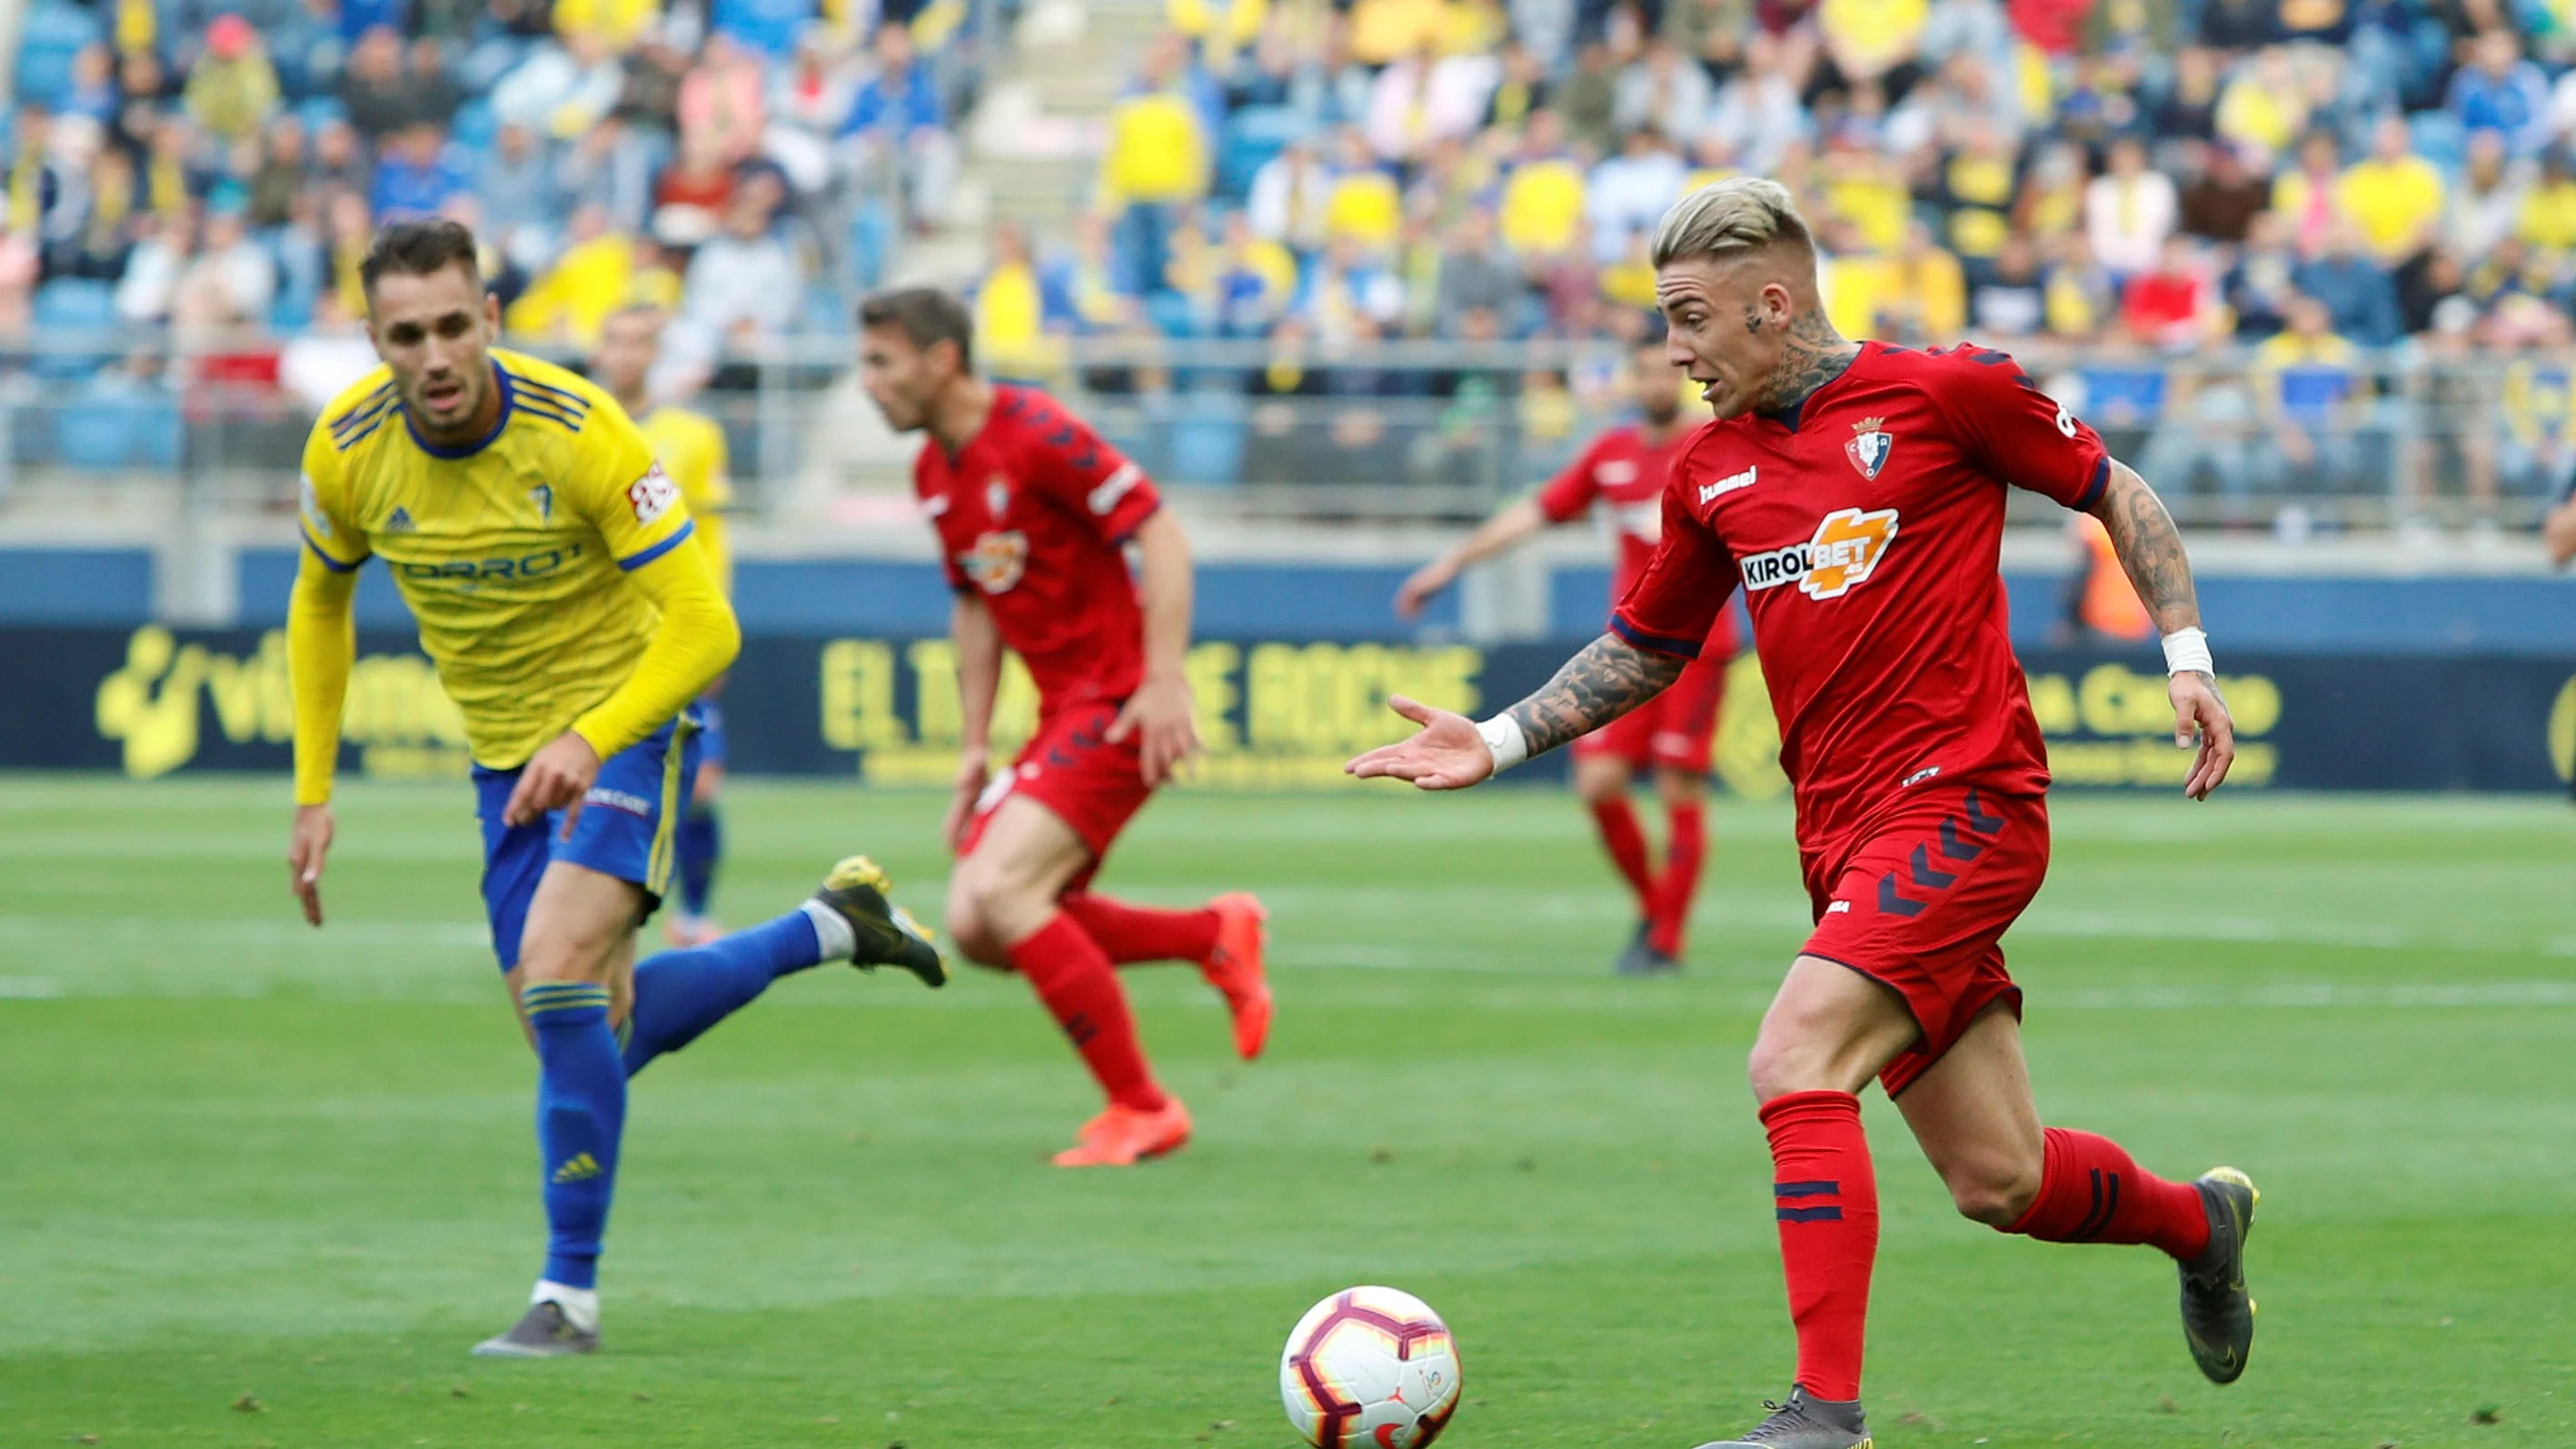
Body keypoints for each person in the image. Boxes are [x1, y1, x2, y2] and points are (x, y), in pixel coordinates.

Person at [1347, 178, 2254, 1446]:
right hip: (1839, 837)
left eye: (1690, 317)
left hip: (1966, 804)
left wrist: (2184, 655)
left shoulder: (1943, 393)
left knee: (1790, 1058)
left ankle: (1822, 1415)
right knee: (1998, 1175)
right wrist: (1496, 737)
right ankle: (2196, 1223)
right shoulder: (1705, 468)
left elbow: (2114, 490)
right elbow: (1643, 645)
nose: (1672, 348)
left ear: (1772, 305)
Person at [287, 220, 945, 1360]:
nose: (435, 355)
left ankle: (567, 1300)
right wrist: (312, 788)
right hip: (507, 762)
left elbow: (707, 624)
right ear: (374, 341)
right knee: (587, 1030)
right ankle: (828, 927)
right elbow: (319, 601)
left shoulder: (581, 430)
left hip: (629, 721)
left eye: (454, 324)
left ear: (490, 318)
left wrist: (595, 736)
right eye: (407, 335)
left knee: (555, 973)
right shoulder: (345, 450)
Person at [854, 287, 1272, 1168]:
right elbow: (975, 603)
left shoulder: (1036, 430)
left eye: (881, 362)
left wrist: (1163, 677)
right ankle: (1211, 933)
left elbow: (1158, 529)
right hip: (1060, 714)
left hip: (1121, 699)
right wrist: (973, 746)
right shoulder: (935, 471)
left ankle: (1142, 1105)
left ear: (941, 360)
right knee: (975, 922)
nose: (868, 384)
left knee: (1002, 893)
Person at [1394, 337, 1738, 977]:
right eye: (1640, 371)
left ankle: (1664, 941)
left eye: (1662, 370)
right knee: (1596, 783)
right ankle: (1654, 909)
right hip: (1632, 646)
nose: (1653, 382)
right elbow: (1532, 512)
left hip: (1702, 647)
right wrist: (1450, 565)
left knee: (1677, 785)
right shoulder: (1611, 454)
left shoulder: (1716, 445)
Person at [591, 303, 738, 947]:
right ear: (600, 349)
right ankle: (591, 912)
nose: (626, 355)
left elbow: (712, 538)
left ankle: (692, 912)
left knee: (701, 782)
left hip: (675, 635)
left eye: (639, 343)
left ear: (655, 352)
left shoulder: (693, 433)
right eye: (616, 341)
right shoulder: (579, 426)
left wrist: (717, 628)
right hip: (598, 639)